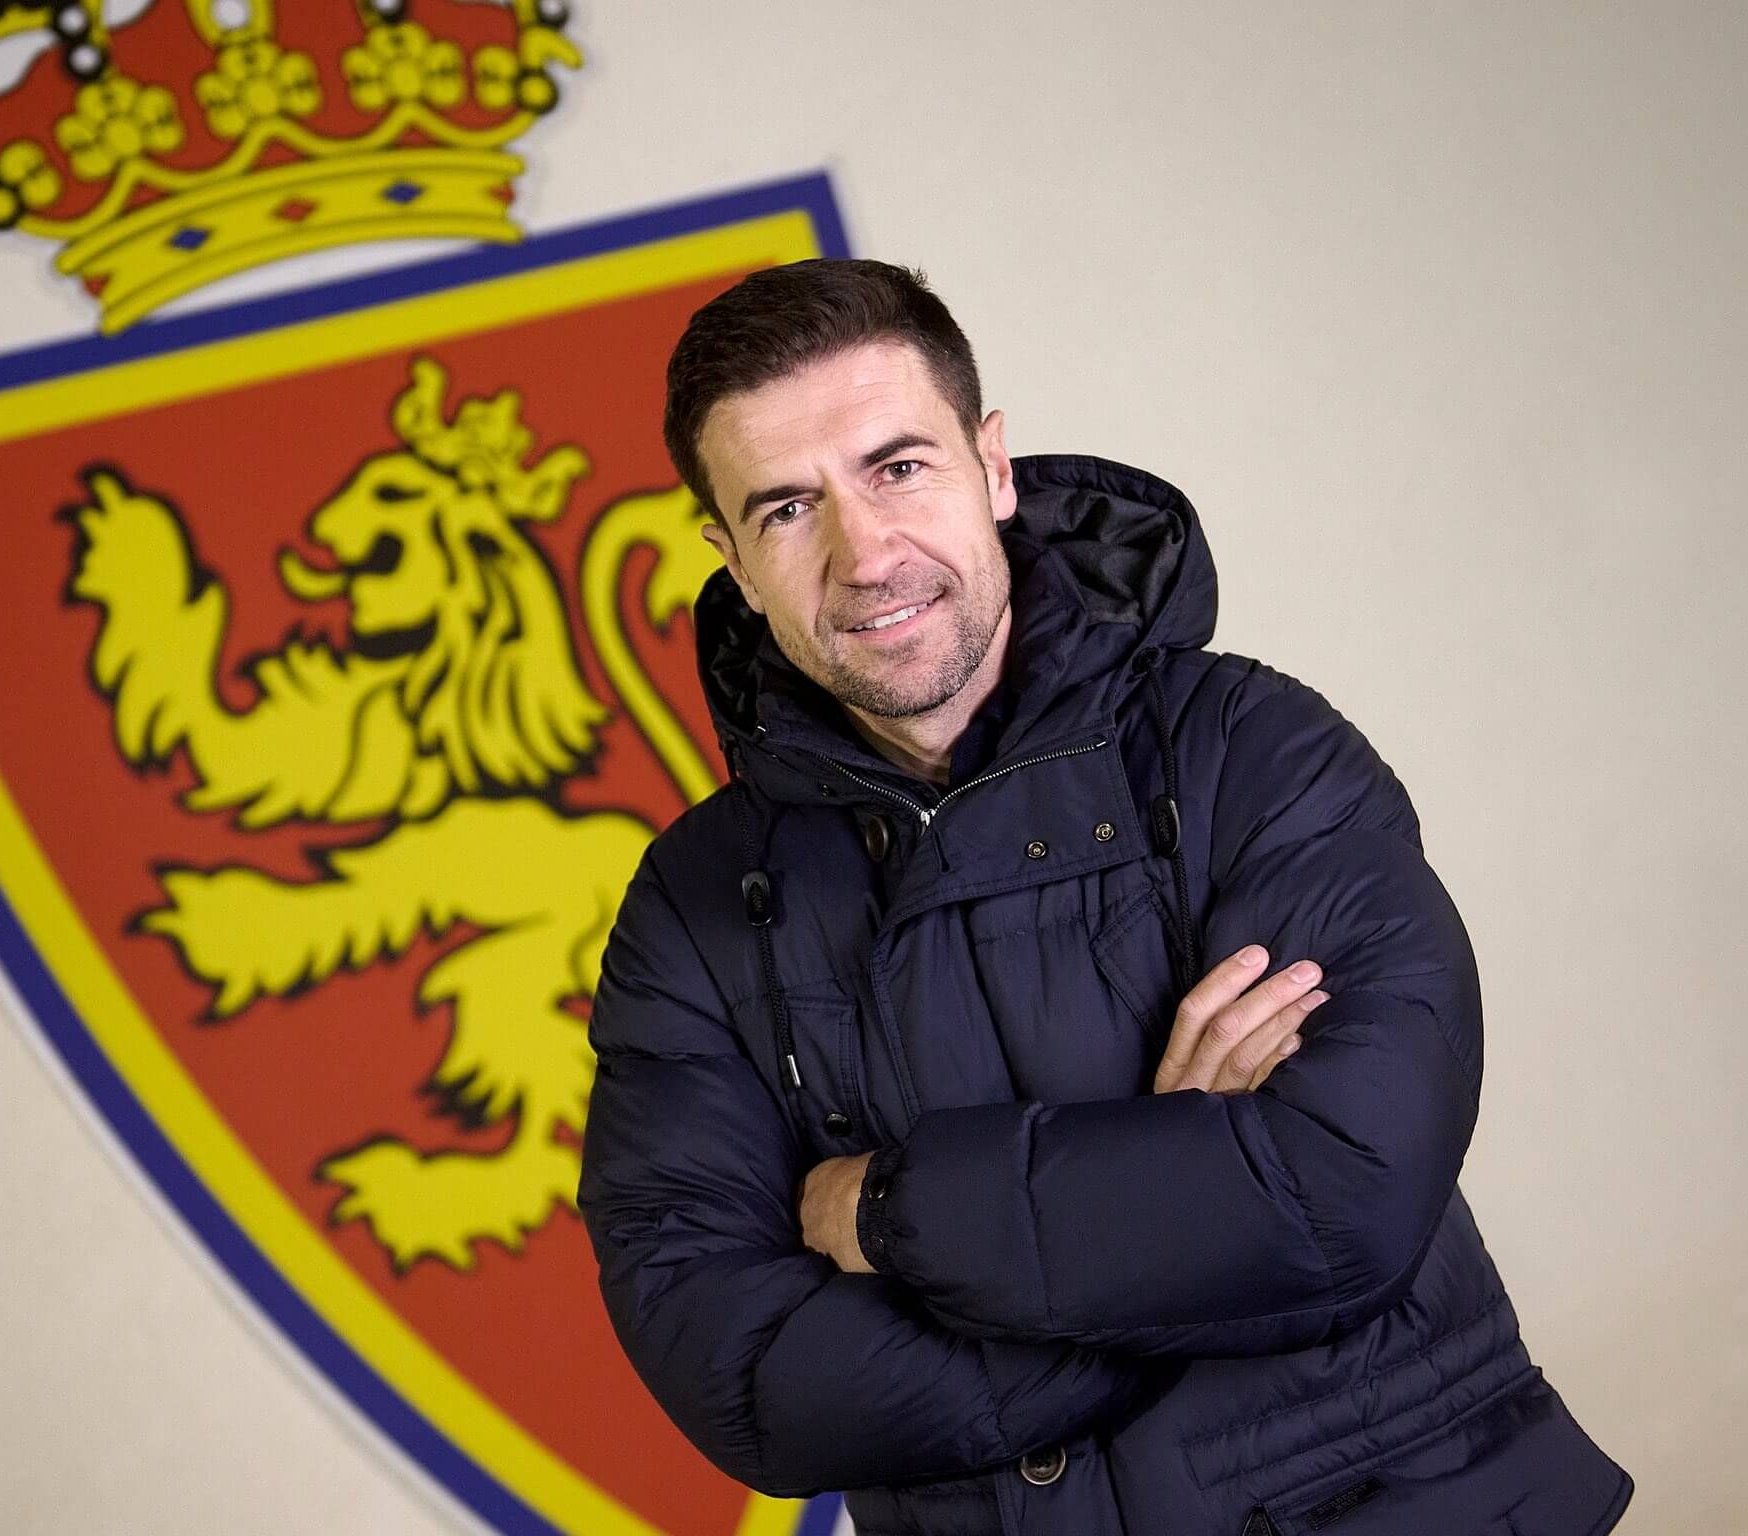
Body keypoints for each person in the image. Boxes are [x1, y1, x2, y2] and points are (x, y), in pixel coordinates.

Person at [575, 259, 1632, 1536]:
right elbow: (748, 1383)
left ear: (992, 465)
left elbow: (1341, 1194)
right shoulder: (691, 908)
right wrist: (1172, 1212)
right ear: (732, 561)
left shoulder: (1251, 750)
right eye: (788, 508)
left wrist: (887, 1214)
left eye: (897, 467)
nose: (865, 553)